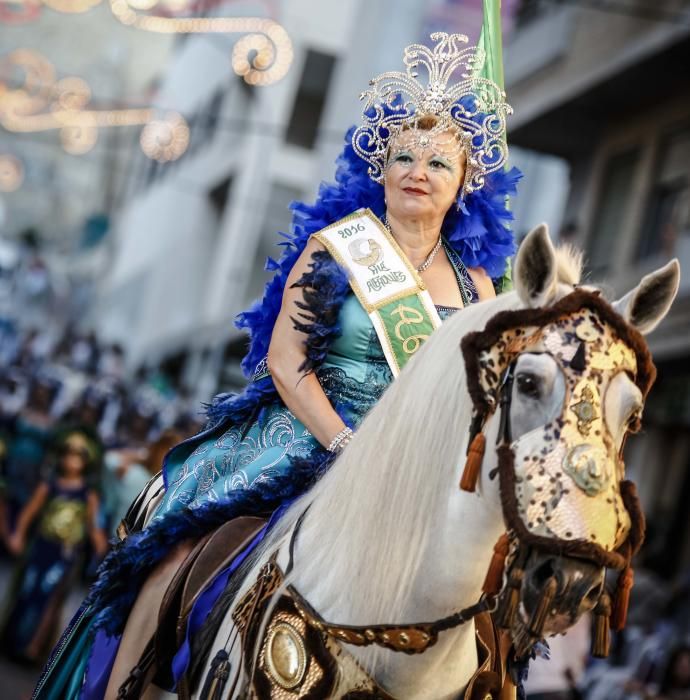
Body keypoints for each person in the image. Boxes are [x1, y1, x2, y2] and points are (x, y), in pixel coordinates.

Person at [35, 32, 520, 698]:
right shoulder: (336, 249)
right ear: (377, 170)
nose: (418, 172)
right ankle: (130, 679)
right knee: (181, 542)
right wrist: (345, 444)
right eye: (403, 156)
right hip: (314, 432)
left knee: (487, 610)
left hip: (415, 463)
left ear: (465, 181)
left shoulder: (478, 288)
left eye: (439, 163)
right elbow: (286, 363)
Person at [1, 431, 108, 664]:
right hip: (41, 545)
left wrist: (102, 550)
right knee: (28, 591)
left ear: (86, 461)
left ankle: (32, 647)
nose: (71, 461)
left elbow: (94, 526)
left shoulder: (89, 495)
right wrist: (18, 534)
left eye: (77, 456)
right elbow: (30, 511)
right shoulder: (49, 486)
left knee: (49, 598)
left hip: (65, 553)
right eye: (68, 455)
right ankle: (12, 639)